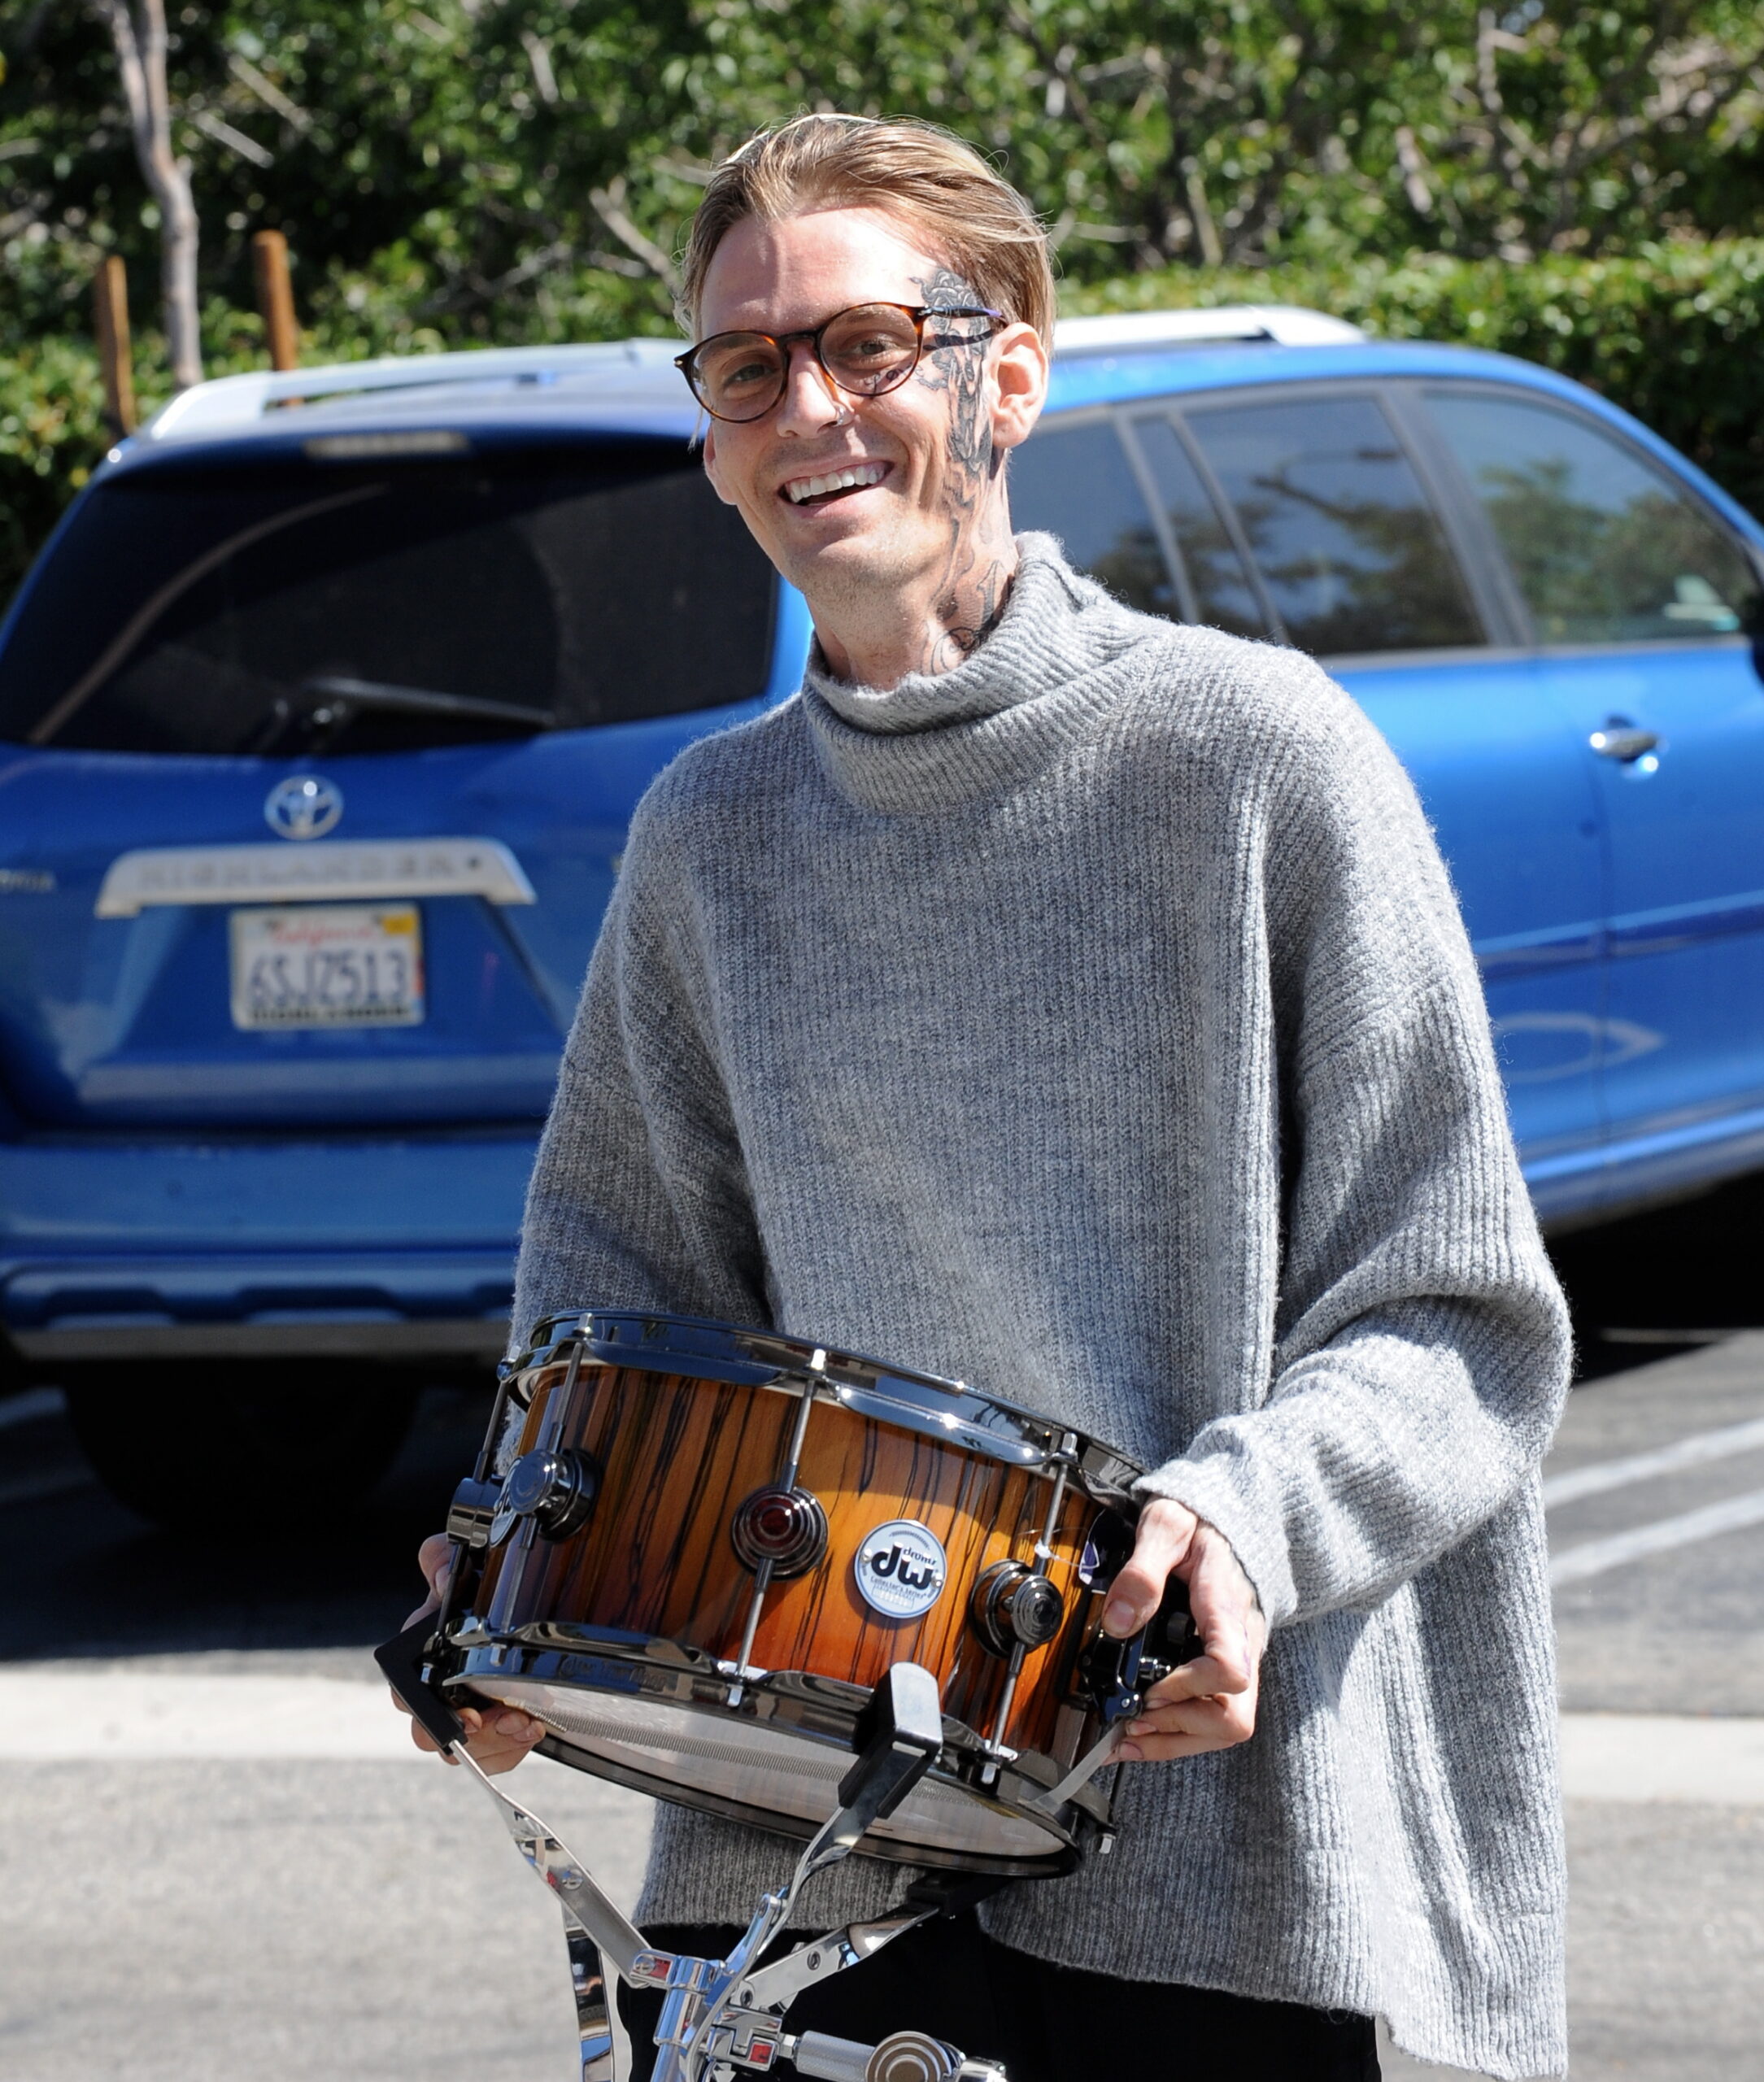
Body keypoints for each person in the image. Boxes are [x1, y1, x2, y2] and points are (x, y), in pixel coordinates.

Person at [400, 114, 1572, 2081]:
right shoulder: (712, 838)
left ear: (1006, 368)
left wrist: (1241, 1522)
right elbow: (603, 1313)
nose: (808, 409)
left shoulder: (1247, 755)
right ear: (708, 433)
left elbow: (1457, 1313)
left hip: (1239, 1855)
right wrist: (514, 1560)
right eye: (749, 366)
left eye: (866, 346)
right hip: (814, 1860)